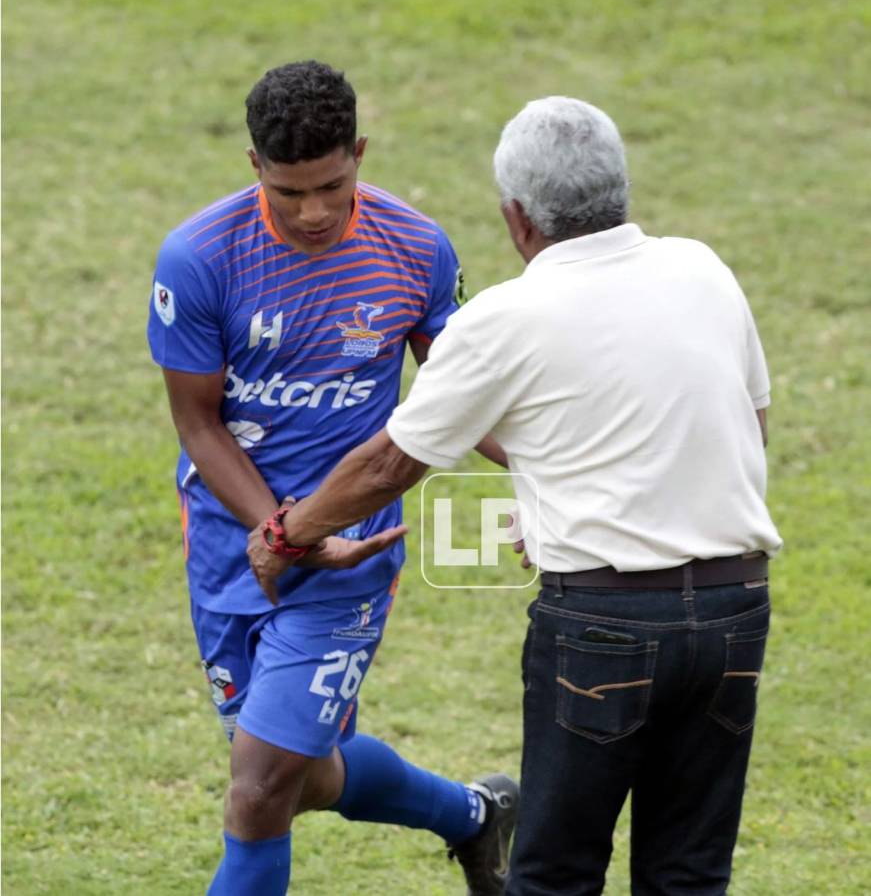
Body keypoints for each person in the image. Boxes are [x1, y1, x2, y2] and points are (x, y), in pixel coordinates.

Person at [248, 95, 784, 895]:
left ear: (517, 218)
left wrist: (287, 535)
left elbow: (387, 466)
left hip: (601, 626)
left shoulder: (507, 316)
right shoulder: (702, 269)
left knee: (554, 874)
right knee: (689, 873)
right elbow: (747, 427)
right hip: (735, 613)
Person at [147, 60, 518, 896]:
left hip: (351, 557)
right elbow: (198, 423)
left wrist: (557, 471)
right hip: (229, 550)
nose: (313, 212)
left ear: (359, 151)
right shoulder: (200, 258)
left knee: (257, 789)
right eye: (289, 192)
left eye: (331, 184)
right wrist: (276, 533)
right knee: (299, 775)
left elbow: (460, 397)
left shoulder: (414, 248)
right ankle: (474, 816)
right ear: (253, 168)